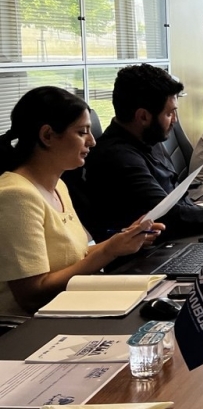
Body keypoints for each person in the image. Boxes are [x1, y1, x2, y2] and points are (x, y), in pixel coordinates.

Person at [0, 87, 164, 315]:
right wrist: (108, 252)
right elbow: (32, 296)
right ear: (47, 136)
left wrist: (121, 241)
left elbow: (76, 256)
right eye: (82, 132)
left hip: (70, 307)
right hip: (30, 325)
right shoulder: (16, 196)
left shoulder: (59, 185)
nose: (92, 141)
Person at [83, 64, 203, 241]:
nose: (175, 120)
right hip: (153, 252)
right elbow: (170, 216)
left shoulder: (147, 139)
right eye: (169, 113)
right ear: (143, 116)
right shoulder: (119, 158)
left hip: (179, 232)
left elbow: (176, 200)